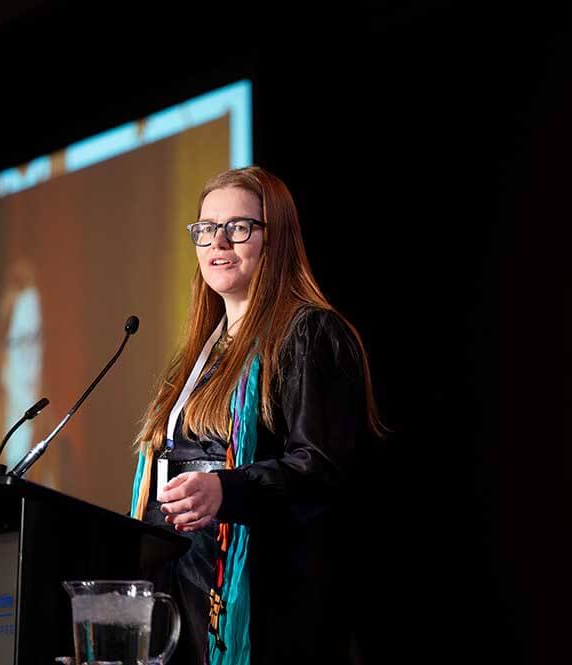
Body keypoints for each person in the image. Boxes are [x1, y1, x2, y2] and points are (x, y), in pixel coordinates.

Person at [129, 166, 387, 665]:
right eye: (206, 229)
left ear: (276, 238)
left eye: (239, 227)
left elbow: (322, 469)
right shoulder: (196, 360)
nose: (218, 242)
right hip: (180, 598)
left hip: (267, 612)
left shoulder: (310, 334)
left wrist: (227, 490)